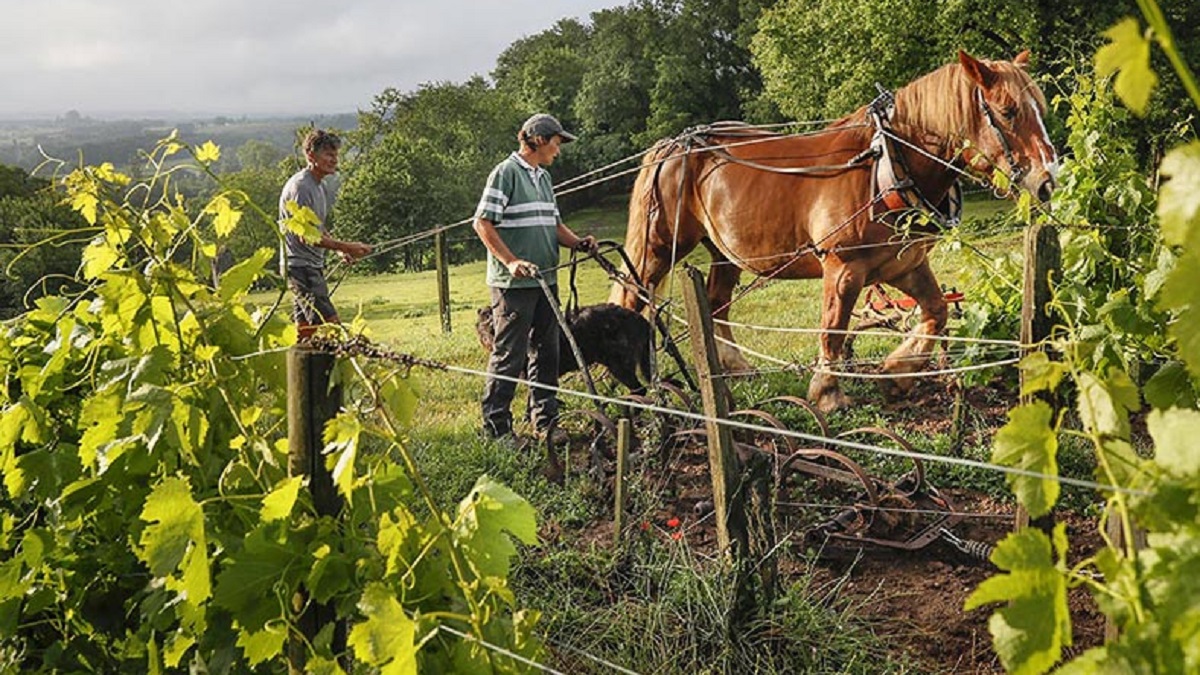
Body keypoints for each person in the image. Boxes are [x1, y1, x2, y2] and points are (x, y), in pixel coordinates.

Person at [473, 113, 596, 442]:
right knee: (510, 354)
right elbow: (482, 223)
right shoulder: (506, 173)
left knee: (547, 352)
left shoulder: (542, 178)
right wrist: (511, 261)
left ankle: (545, 421)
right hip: (513, 284)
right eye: (557, 142)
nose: (559, 149)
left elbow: (554, 225)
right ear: (539, 140)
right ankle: (497, 430)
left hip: (545, 279)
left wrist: (578, 243)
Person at [278, 129, 372, 339]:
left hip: (310, 265)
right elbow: (306, 236)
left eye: (336, 154)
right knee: (329, 324)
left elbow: (317, 227)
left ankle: (303, 369)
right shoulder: (301, 187)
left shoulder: (319, 186)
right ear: (311, 155)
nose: (334, 160)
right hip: (300, 266)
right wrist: (347, 246)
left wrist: (339, 252)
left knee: (305, 329)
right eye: (329, 154)